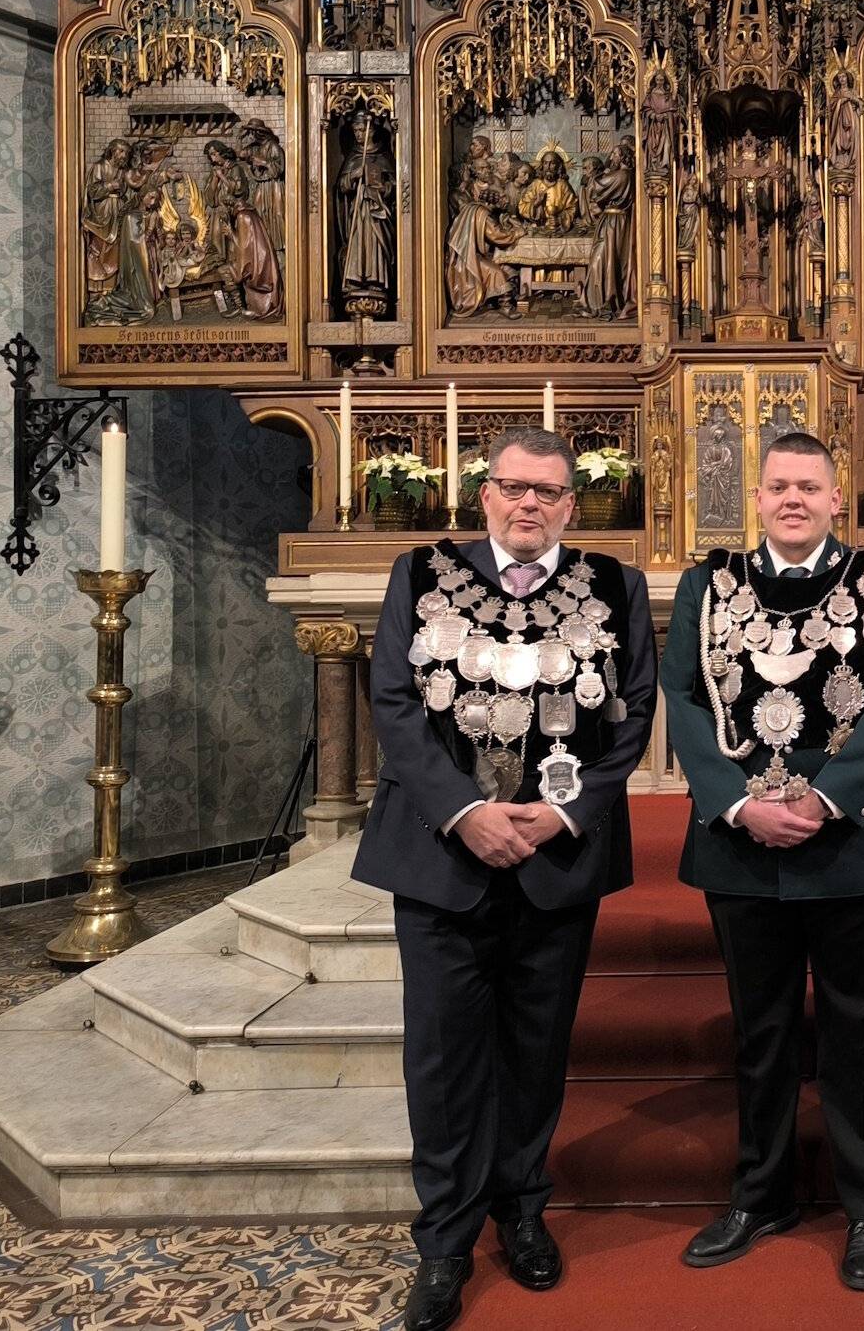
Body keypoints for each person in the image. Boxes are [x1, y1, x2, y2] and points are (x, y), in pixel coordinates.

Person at [354, 425, 657, 1331]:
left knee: (536, 1050)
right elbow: (395, 705)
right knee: (443, 1060)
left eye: (548, 493)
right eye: (513, 488)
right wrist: (465, 812)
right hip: (443, 859)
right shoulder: (420, 571)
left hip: (555, 859)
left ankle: (523, 1210)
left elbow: (634, 711)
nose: (529, 505)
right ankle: (445, 1243)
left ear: (572, 503)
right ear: (484, 493)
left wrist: (564, 813)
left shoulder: (616, 585)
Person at [660, 431, 864, 1293]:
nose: (792, 499)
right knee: (762, 1030)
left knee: (858, 1030)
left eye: (807, 486)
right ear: (757, 496)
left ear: (833, 493)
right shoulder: (709, 586)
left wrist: (824, 798)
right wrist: (740, 802)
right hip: (740, 843)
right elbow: (680, 694)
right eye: (778, 485)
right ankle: (761, 1194)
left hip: (854, 841)